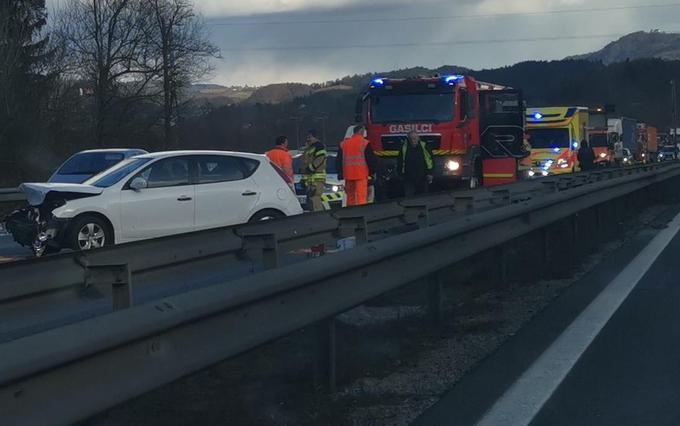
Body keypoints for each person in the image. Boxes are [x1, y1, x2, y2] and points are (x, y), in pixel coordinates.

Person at [336, 124, 377, 207]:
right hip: (361, 174)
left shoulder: (344, 144)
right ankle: (361, 213)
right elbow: (370, 160)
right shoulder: (365, 143)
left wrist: (340, 173)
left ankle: (351, 213)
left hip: (348, 175)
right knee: (361, 197)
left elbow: (338, 160)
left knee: (350, 197)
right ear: (361, 131)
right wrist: (372, 172)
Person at [397, 131, 434, 197]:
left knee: (423, 197)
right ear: (408, 139)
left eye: (414, 138)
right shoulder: (403, 148)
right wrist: (400, 175)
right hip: (408, 178)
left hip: (423, 177)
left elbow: (431, 160)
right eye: (410, 139)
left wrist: (430, 173)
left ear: (418, 138)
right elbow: (399, 162)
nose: (412, 140)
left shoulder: (424, 147)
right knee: (408, 198)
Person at [301, 129, 327, 211]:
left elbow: (319, 159)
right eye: (307, 137)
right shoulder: (309, 148)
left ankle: (320, 219)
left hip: (317, 179)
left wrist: (311, 168)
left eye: (310, 137)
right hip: (310, 180)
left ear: (315, 137)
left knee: (315, 199)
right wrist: (303, 179)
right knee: (311, 201)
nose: (308, 139)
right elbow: (305, 164)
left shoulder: (319, 146)